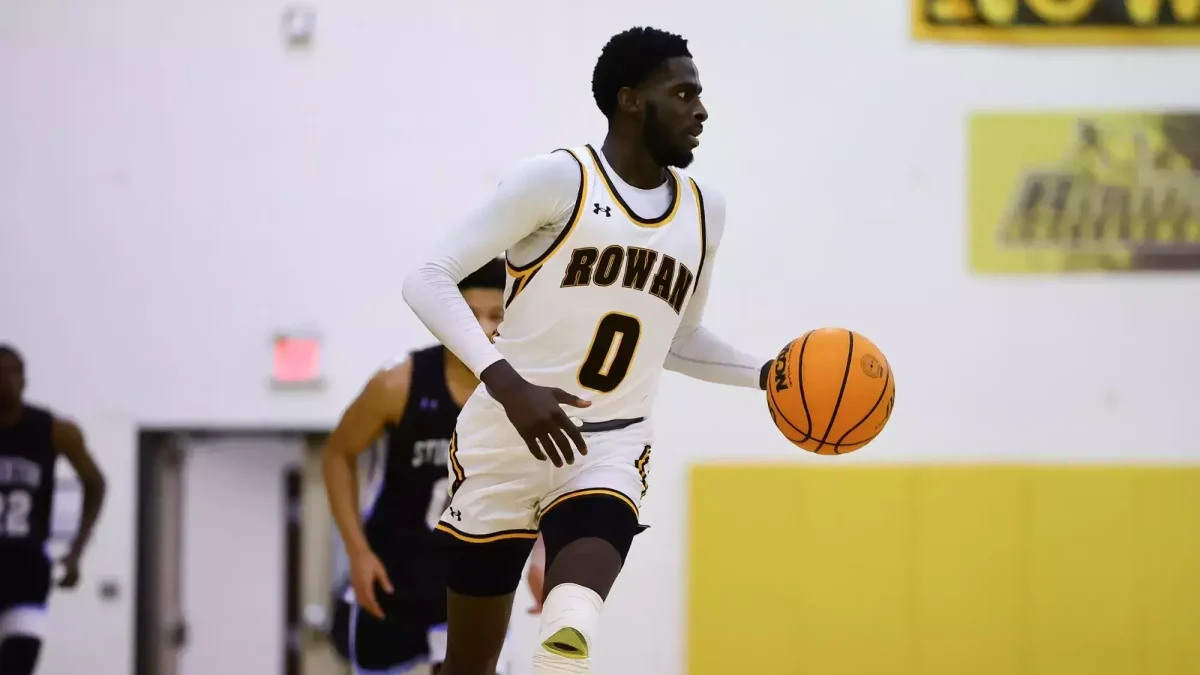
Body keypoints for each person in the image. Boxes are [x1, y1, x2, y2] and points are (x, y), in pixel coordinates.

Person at [400, 26, 775, 675]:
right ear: (631, 100)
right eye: (683, 93)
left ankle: (565, 636)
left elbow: (678, 338)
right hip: (507, 433)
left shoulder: (704, 209)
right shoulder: (557, 180)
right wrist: (508, 385)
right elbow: (426, 278)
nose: (701, 110)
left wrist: (767, 374)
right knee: (469, 665)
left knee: (573, 610)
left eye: (700, 94)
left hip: (610, 437)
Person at [323, 259, 545, 675]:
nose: (481, 328)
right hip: (392, 581)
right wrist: (356, 552)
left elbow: (546, 479)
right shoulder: (397, 384)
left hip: (475, 583)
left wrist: (541, 558)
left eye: (495, 316)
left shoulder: (527, 393)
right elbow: (338, 453)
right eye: (468, 315)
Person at [0, 344, 107, 675]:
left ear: (24, 380)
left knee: (18, 664)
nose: (3, 381)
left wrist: (76, 552)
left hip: (26, 570)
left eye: (10, 372)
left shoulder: (54, 430)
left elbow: (95, 483)